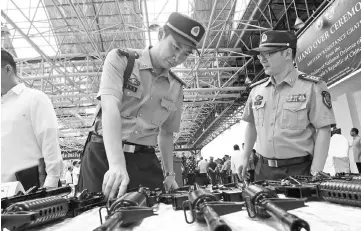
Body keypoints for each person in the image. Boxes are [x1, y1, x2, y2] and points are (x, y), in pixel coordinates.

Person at [78, 12, 205, 199]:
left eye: (185, 54)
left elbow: (166, 133)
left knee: (153, 216)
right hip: (104, 155)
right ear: (161, 34)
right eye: (175, 47)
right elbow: (109, 107)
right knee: (96, 216)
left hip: (144, 159)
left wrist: (170, 174)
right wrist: (117, 164)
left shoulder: (176, 87)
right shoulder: (122, 60)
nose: (177, 57)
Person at [238, 30, 336, 181]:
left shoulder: (312, 86)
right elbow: (251, 125)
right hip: (263, 170)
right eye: (259, 54)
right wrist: (245, 157)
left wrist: (316, 171)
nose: (261, 59)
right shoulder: (256, 91)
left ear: (287, 53)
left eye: (268, 53)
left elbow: (323, 129)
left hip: (299, 170)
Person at [1, 49, 64, 189]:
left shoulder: (34, 98)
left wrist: (51, 183)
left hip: (33, 187)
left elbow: (49, 139)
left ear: (7, 69)